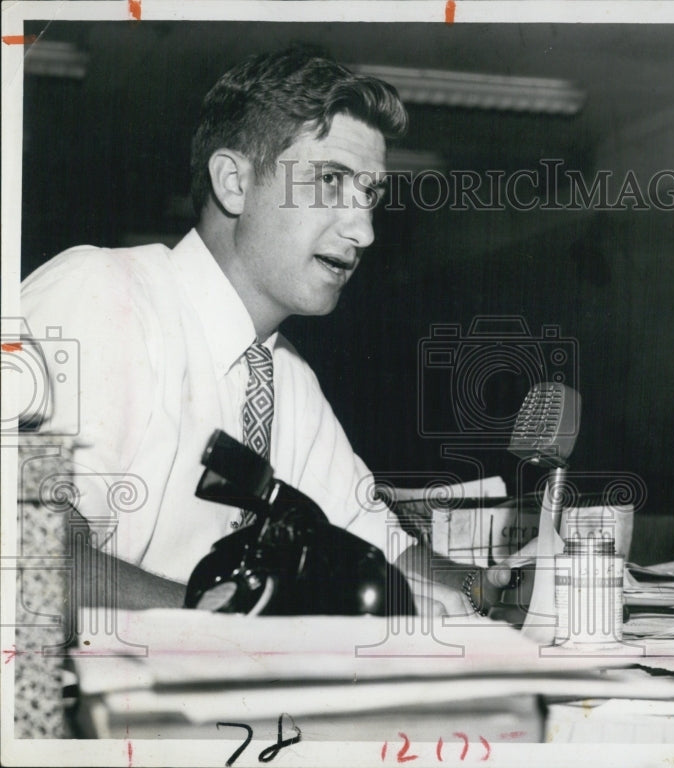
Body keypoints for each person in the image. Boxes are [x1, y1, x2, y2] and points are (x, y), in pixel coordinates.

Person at [20, 46, 502, 617]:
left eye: (369, 194)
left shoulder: (285, 374)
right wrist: (250, 634)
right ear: (234, 183)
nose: (365, 230)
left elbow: (387, 551)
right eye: (330, 181)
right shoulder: (103, 295)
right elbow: (32, 559)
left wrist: (504, 589)